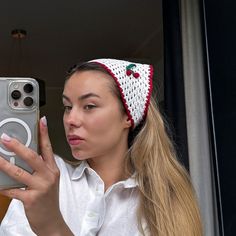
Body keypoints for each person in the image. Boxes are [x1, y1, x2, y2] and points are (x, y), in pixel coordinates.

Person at [0, 58, 203, 235]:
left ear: (127, 116)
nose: (71, 119)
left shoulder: (164, 199)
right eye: (67, 107)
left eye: (89, 106)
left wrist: (53, 228)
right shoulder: (45, 180)